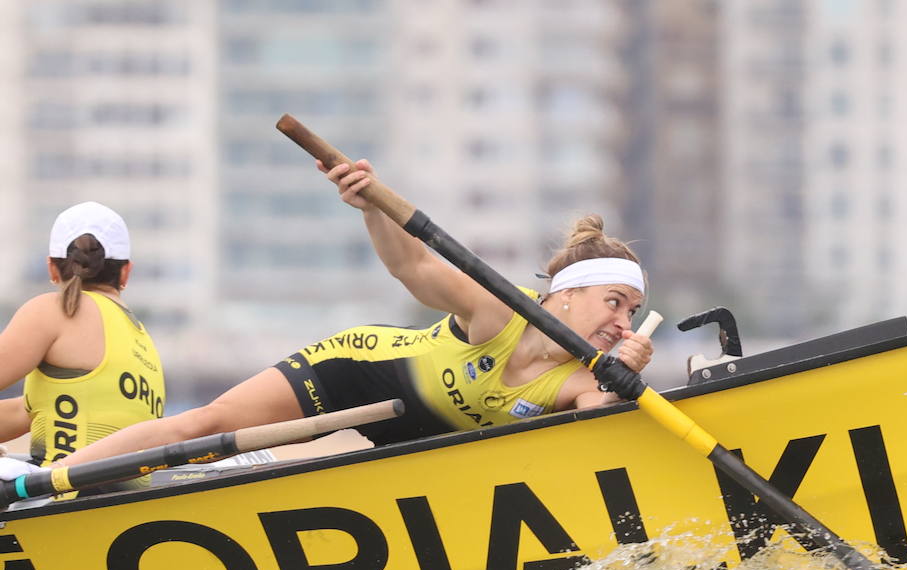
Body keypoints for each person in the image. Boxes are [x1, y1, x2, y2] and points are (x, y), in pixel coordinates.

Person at [57, 159, 654, 469]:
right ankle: (41, 485)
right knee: (206, 430)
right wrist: (370, 205)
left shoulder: (579, 380)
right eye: (615, 303)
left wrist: (625, 377)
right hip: (358, 374)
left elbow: (597, 427)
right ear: (565, 295)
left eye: (633, 312)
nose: (624, 322)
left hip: (429, 436)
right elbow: (414, 268)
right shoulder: (502, 312)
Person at [0, 202, 165, 478]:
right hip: (121, 498)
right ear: (126, 273)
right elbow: (26, 412)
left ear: (52, 269)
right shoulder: (141, 338)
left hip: (58, 498)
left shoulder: (53, 310)